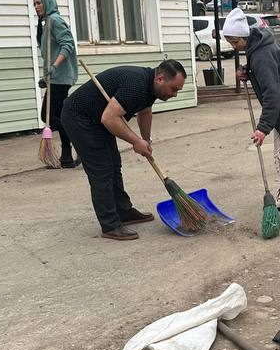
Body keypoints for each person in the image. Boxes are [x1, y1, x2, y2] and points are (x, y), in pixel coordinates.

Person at [60, 60, 187, 241]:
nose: (174, 94)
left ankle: (124, 212)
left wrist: (145, 140)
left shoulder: (150, 87)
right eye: (174, 89)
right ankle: (110, 225)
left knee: (114, 164)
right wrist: (136, 142)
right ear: (160, 79)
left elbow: (145, 111)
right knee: (101, 170)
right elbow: (109, 118)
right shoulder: (135, 84)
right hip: (80, 118)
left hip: (98, 119)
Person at [221, 7, 280, 225]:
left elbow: (272, 94)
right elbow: (270, 74)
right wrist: (247, 72)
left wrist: (263, 128)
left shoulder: (260, 54)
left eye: (234, 42)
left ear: (243, 37)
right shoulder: (258, 45)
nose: (234, 47)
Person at [33, 0, 79, 168]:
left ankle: (79, 144)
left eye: (39, 3)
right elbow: (48, 53)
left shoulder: (55, 21)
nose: (36, 7)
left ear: (48, 3)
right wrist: (46, 76)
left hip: (61, 77)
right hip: (55, 77)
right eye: (35, 4)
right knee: (60, 115)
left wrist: (55, 67)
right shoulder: (46, 23)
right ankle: (67, 156)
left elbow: (68, 45)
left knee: (49, 114)